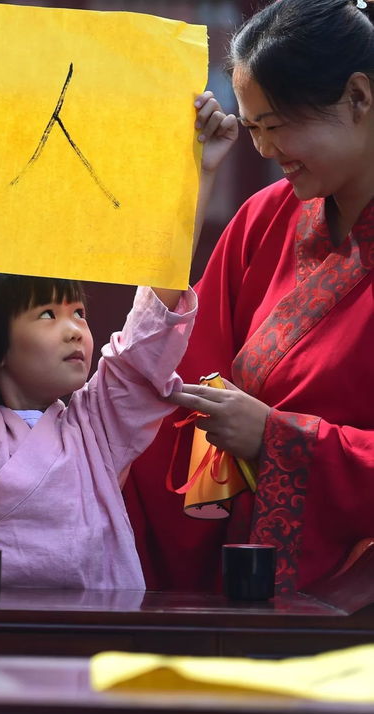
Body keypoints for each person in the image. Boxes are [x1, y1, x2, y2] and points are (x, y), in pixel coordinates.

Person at [0, 81, 237, 588]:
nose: (76, 329)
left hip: (94, 637)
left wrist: (198, 171)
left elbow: (145, 343)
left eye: (78, 312)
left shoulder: (96, 429)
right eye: (47, 315)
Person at [124, 0, 374, 595]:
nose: (263, 149)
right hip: (245, 576)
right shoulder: (266, 219)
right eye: (253, 127)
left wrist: (276, 437)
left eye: (278, 124)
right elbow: (180, 380)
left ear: (359, 98)